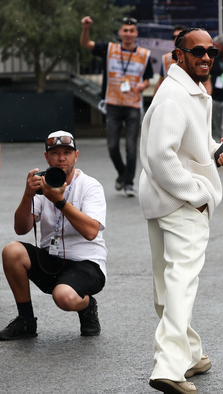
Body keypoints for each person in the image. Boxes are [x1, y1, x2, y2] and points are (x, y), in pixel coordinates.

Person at [139, 28, 223, 394]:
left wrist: (215, 153)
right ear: (177, 56)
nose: (206, 57)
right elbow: (159, 155)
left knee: (168, 286)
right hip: (180, 202)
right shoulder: (175, 96)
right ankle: (167, 366)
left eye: (211, 51)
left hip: (164, 201)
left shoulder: (188, 91)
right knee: (180, 283)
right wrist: (196, 193)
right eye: (197, 51)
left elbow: (186, 143)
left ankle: (190, 354)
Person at [0, 131, 107, 340]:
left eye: (67, 152)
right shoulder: (43, 186)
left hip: (86, 264)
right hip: (52, 261)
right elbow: (21, 228)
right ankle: (26, 321)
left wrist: (60, 202)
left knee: (64, 297)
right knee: (11, 251)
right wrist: (28, 194)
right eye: (55, 153)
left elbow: (91, 231)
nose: (61, 158)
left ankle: (88, 305)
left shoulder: (90, 186)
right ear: (46, 157)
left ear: (76, 156)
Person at [80, 16, 154, 197]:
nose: (128, 34)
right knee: (112, 146)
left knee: (131, 147)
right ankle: (122, 173)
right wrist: (86, 28)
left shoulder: (144, 54)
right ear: (120, 33)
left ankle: (129, 183)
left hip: (133, 106)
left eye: (131, 31)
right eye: (125, 30)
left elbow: (148, 78)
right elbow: (86, 44)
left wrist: (143, 86)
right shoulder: (109, 49)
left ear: (136, 33)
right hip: (113, 104)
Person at [154, 25, 186, 95]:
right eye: (174, 37)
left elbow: (205, 82)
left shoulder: (193, 57)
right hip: (170, 97)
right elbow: (160, 82)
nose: (176, 39)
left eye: (180, 37)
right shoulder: (166, 58)